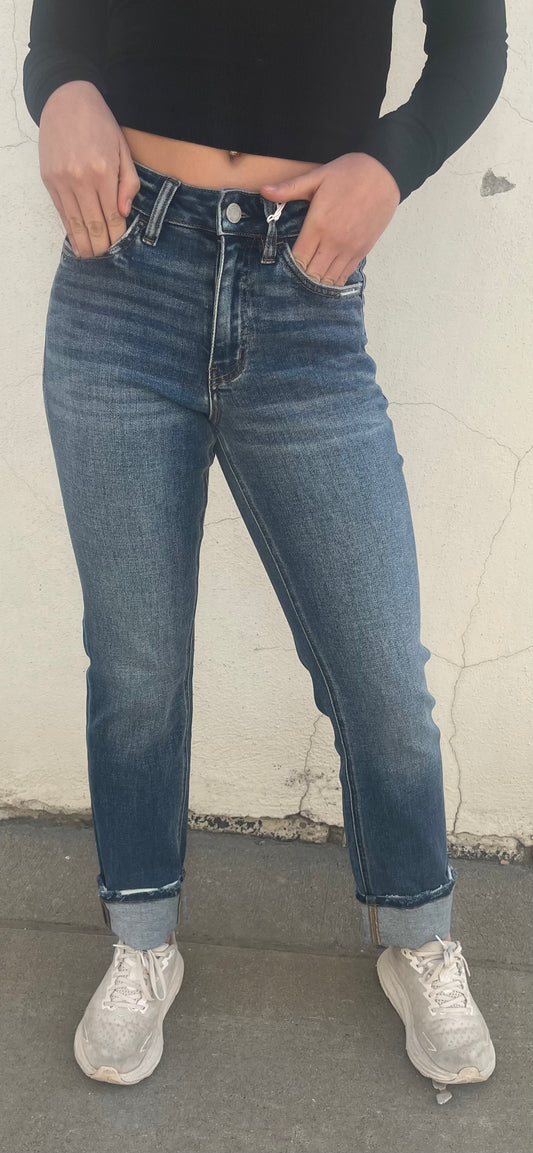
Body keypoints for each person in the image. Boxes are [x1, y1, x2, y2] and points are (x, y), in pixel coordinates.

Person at [23, 0, 507, 1095]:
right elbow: (61, 33)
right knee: (137, 663)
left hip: (303, 288)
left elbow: (473, 43)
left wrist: (389, 163)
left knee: (379, 672)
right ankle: (143, 939)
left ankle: (416, 932)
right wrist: (60, 92)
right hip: (123, 270)